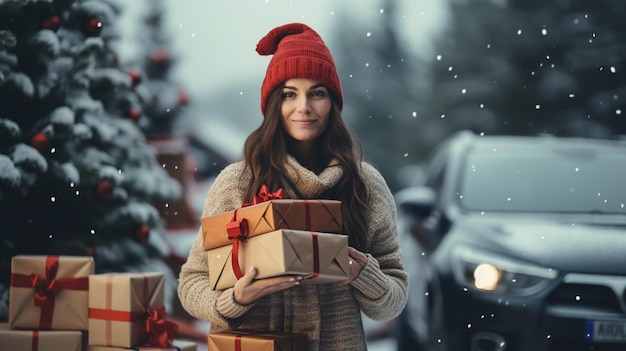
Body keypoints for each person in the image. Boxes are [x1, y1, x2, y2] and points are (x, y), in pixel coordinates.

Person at [177, 22, 408, 351]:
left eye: (317, 92)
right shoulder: (237, 182)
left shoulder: (364, 185)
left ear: (333, 103)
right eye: (289, 94)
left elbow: (393, 301)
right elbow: (192, 284)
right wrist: (235, 299)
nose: (304, 106)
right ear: (274, 104)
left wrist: (364, 274)